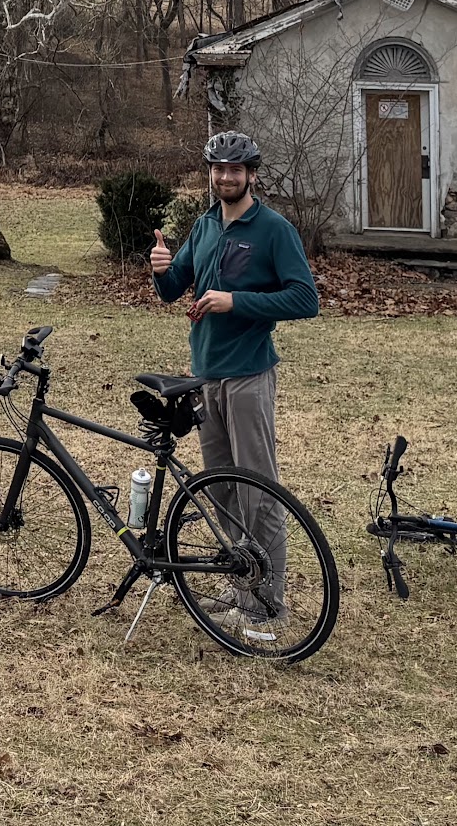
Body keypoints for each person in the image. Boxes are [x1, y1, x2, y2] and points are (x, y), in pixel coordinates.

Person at [149, 128, 319, 643]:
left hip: (248, 375)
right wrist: (160, 269)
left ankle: (268, 605)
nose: (226, 177)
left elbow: (304, 299)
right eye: (218, 169)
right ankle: (238, 584)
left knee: (257, 489)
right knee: (220, 487)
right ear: (211, 173)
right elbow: (173, 289)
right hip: (205, 376)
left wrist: (235, 302)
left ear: (251, 174)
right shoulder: (204, 227)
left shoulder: (272, 230)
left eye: (236, 170)